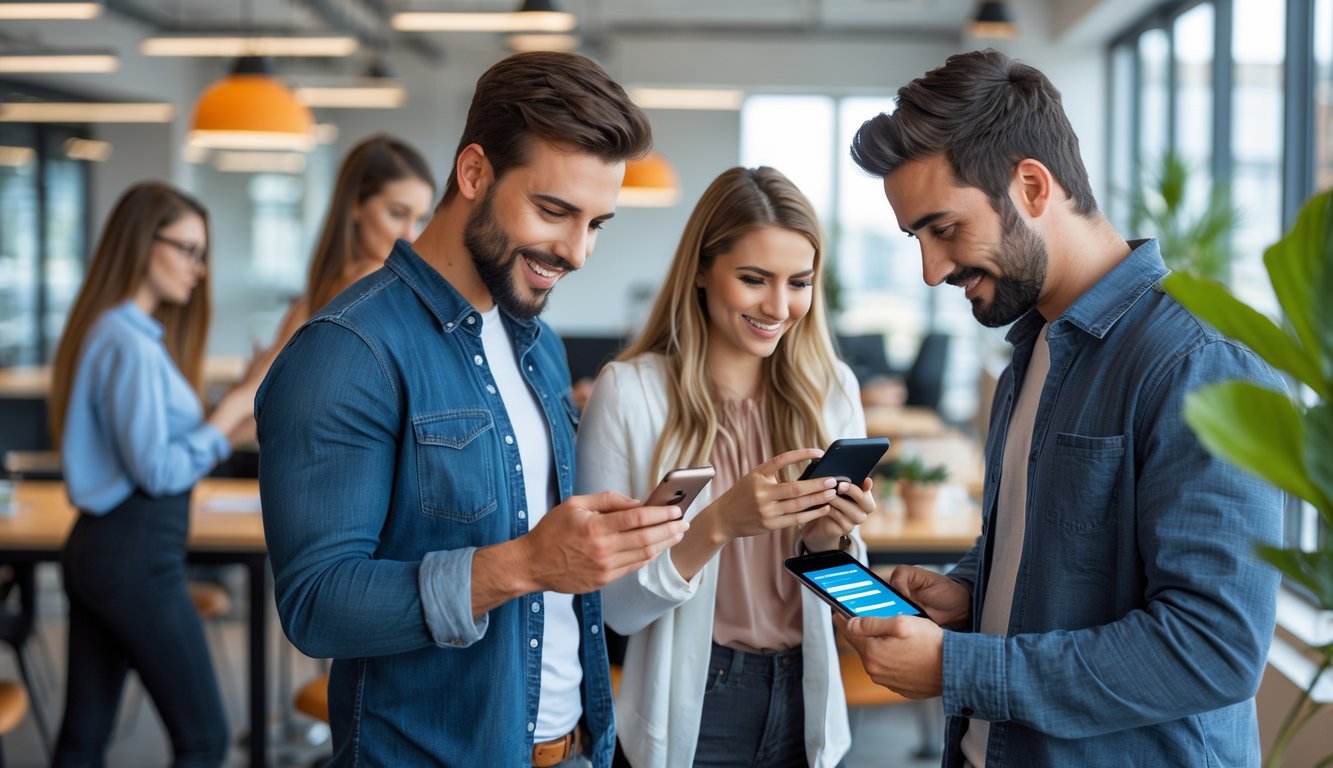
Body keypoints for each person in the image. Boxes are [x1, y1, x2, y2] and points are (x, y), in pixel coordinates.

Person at [840, 49, 1286, 766]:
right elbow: (1056, 549)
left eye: (943, 228)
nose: (930, 270)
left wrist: (957, 668)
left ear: (1031, 186)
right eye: (915, 238)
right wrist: (969, 592)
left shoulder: (1198, 364)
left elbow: (1212, 650)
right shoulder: (1030, 351)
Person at [255, 51, 688, 767]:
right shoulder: (347, 350)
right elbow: (318, 605)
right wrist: (525, 563)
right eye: (553, 211)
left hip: (573, 749)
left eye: (596, 223)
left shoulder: (538, 345)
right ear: (474, 173)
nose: (577, 252)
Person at [576, 166, 876, 768]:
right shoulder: (629, 395)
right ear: (701, 271)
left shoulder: (832, 390)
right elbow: (615, 611)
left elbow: (849, 602)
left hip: (808, 694)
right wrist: (717, 525)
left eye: (799, 282)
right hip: (697, 704)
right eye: (753, 278)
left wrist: (827, 542)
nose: (778, 306)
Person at [47, 182, 263, 767]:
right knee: (205, 739)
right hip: (134, 555)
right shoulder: (127, 342)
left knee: (83, 738)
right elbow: (159, 469)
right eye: (188, 249)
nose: (199, 268)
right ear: (145, 243)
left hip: (109, 549)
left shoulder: (130, 334)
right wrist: (229, 407)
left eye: (202, 253)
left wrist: (237, 409)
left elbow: (170, 451)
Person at [268, 133, 436, 349]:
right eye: (397, 213)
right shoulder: (377, 283)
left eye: (421, 220)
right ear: (356, 203)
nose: (411, 235)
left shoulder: (307, 303)